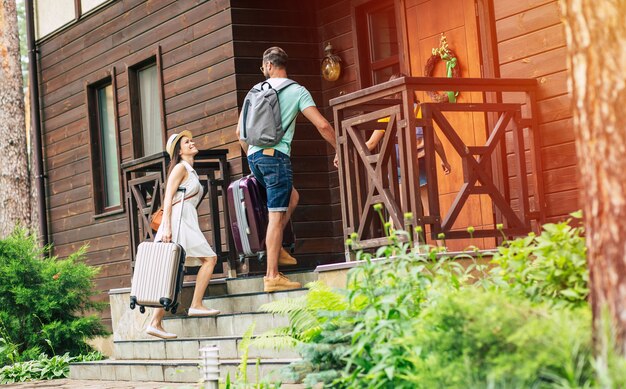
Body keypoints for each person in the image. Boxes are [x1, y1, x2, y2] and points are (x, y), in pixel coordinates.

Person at [236, 47, 337, 293]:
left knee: (292, 197)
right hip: (276, 158)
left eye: (263, 68)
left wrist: (253, 156)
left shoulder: (254, 91)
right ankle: (272, 275)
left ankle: (276, 246)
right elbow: (322, 125)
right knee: (276, 216)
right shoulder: (297, 91)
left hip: (254, 157)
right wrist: (340, 148)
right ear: (283, 65)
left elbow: (239, 134)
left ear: (268, 66)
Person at [334, 73, 451, 215]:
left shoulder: (389, 113)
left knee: (398, 213)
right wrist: (444, 161)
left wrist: (344, 153)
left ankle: (396, 237)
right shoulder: (420, 110)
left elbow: (370, 144)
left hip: (399, 166)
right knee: (431, 212)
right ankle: (439, 237)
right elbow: (436, 141)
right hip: (420, 162)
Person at [146, 131, 221, 339]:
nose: (192, 142)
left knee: (173, 271)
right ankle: (193, 305)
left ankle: (156, 322)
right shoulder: (180, 168)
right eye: (187, 142)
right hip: (178, 221)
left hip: (186, 219)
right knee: (207, 259)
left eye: (191, 140)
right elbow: (168, 198)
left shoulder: (190, 170)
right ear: (179, 151)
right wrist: (167, 226)